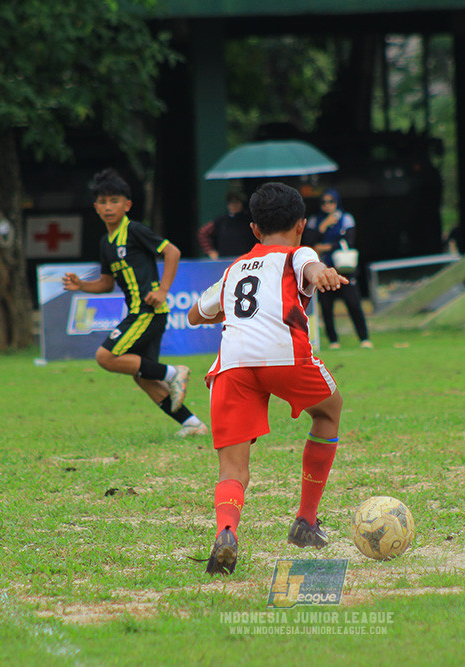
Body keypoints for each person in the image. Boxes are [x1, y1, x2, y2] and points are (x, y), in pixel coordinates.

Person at [187, 182, 349, 575]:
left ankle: (226, 530)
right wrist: (322, 272)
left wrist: (223, 309)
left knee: (232, 469)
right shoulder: (300, 253)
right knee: (329, 412)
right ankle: (306, 521)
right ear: (301, 225)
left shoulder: (234, 268)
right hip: (284, 356)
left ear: (254, 230)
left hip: (233, 364)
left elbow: (195, 314)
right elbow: (309, 266)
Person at [62, 168, 208, 437]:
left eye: (114, 201)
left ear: (127, 205)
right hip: (140, 312)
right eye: (103, 202)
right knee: (142, 375)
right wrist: (81, 285)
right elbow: (106, 284)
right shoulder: (106, 243)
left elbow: (172, 251)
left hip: (149, 311)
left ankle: (175, 372)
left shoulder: (135, 230)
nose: (108, 207)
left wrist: (163, 290)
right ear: (95, 207)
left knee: (105, 357)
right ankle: (192, 424)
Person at [303, 188, 373, 349]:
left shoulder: (346, 219)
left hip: (343, 269)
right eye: (324, 202)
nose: (327, 205)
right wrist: (323, 227)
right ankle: (333, 340)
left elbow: (349, 240)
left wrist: (327, 246)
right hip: (324, 269)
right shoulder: (315, 221)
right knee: (326, 307)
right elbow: (310, 242)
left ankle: (364, 338)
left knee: (353, 304)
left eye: (331, 202)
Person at [197, 192, 257, 260]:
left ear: (241, 204)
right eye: (231, 202)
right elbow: (203, 232)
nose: (234, 205)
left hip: (246, 261)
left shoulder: (249, 221)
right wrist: (210, 252)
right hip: (225, 262)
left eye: (236, 202)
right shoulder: (221, 221)